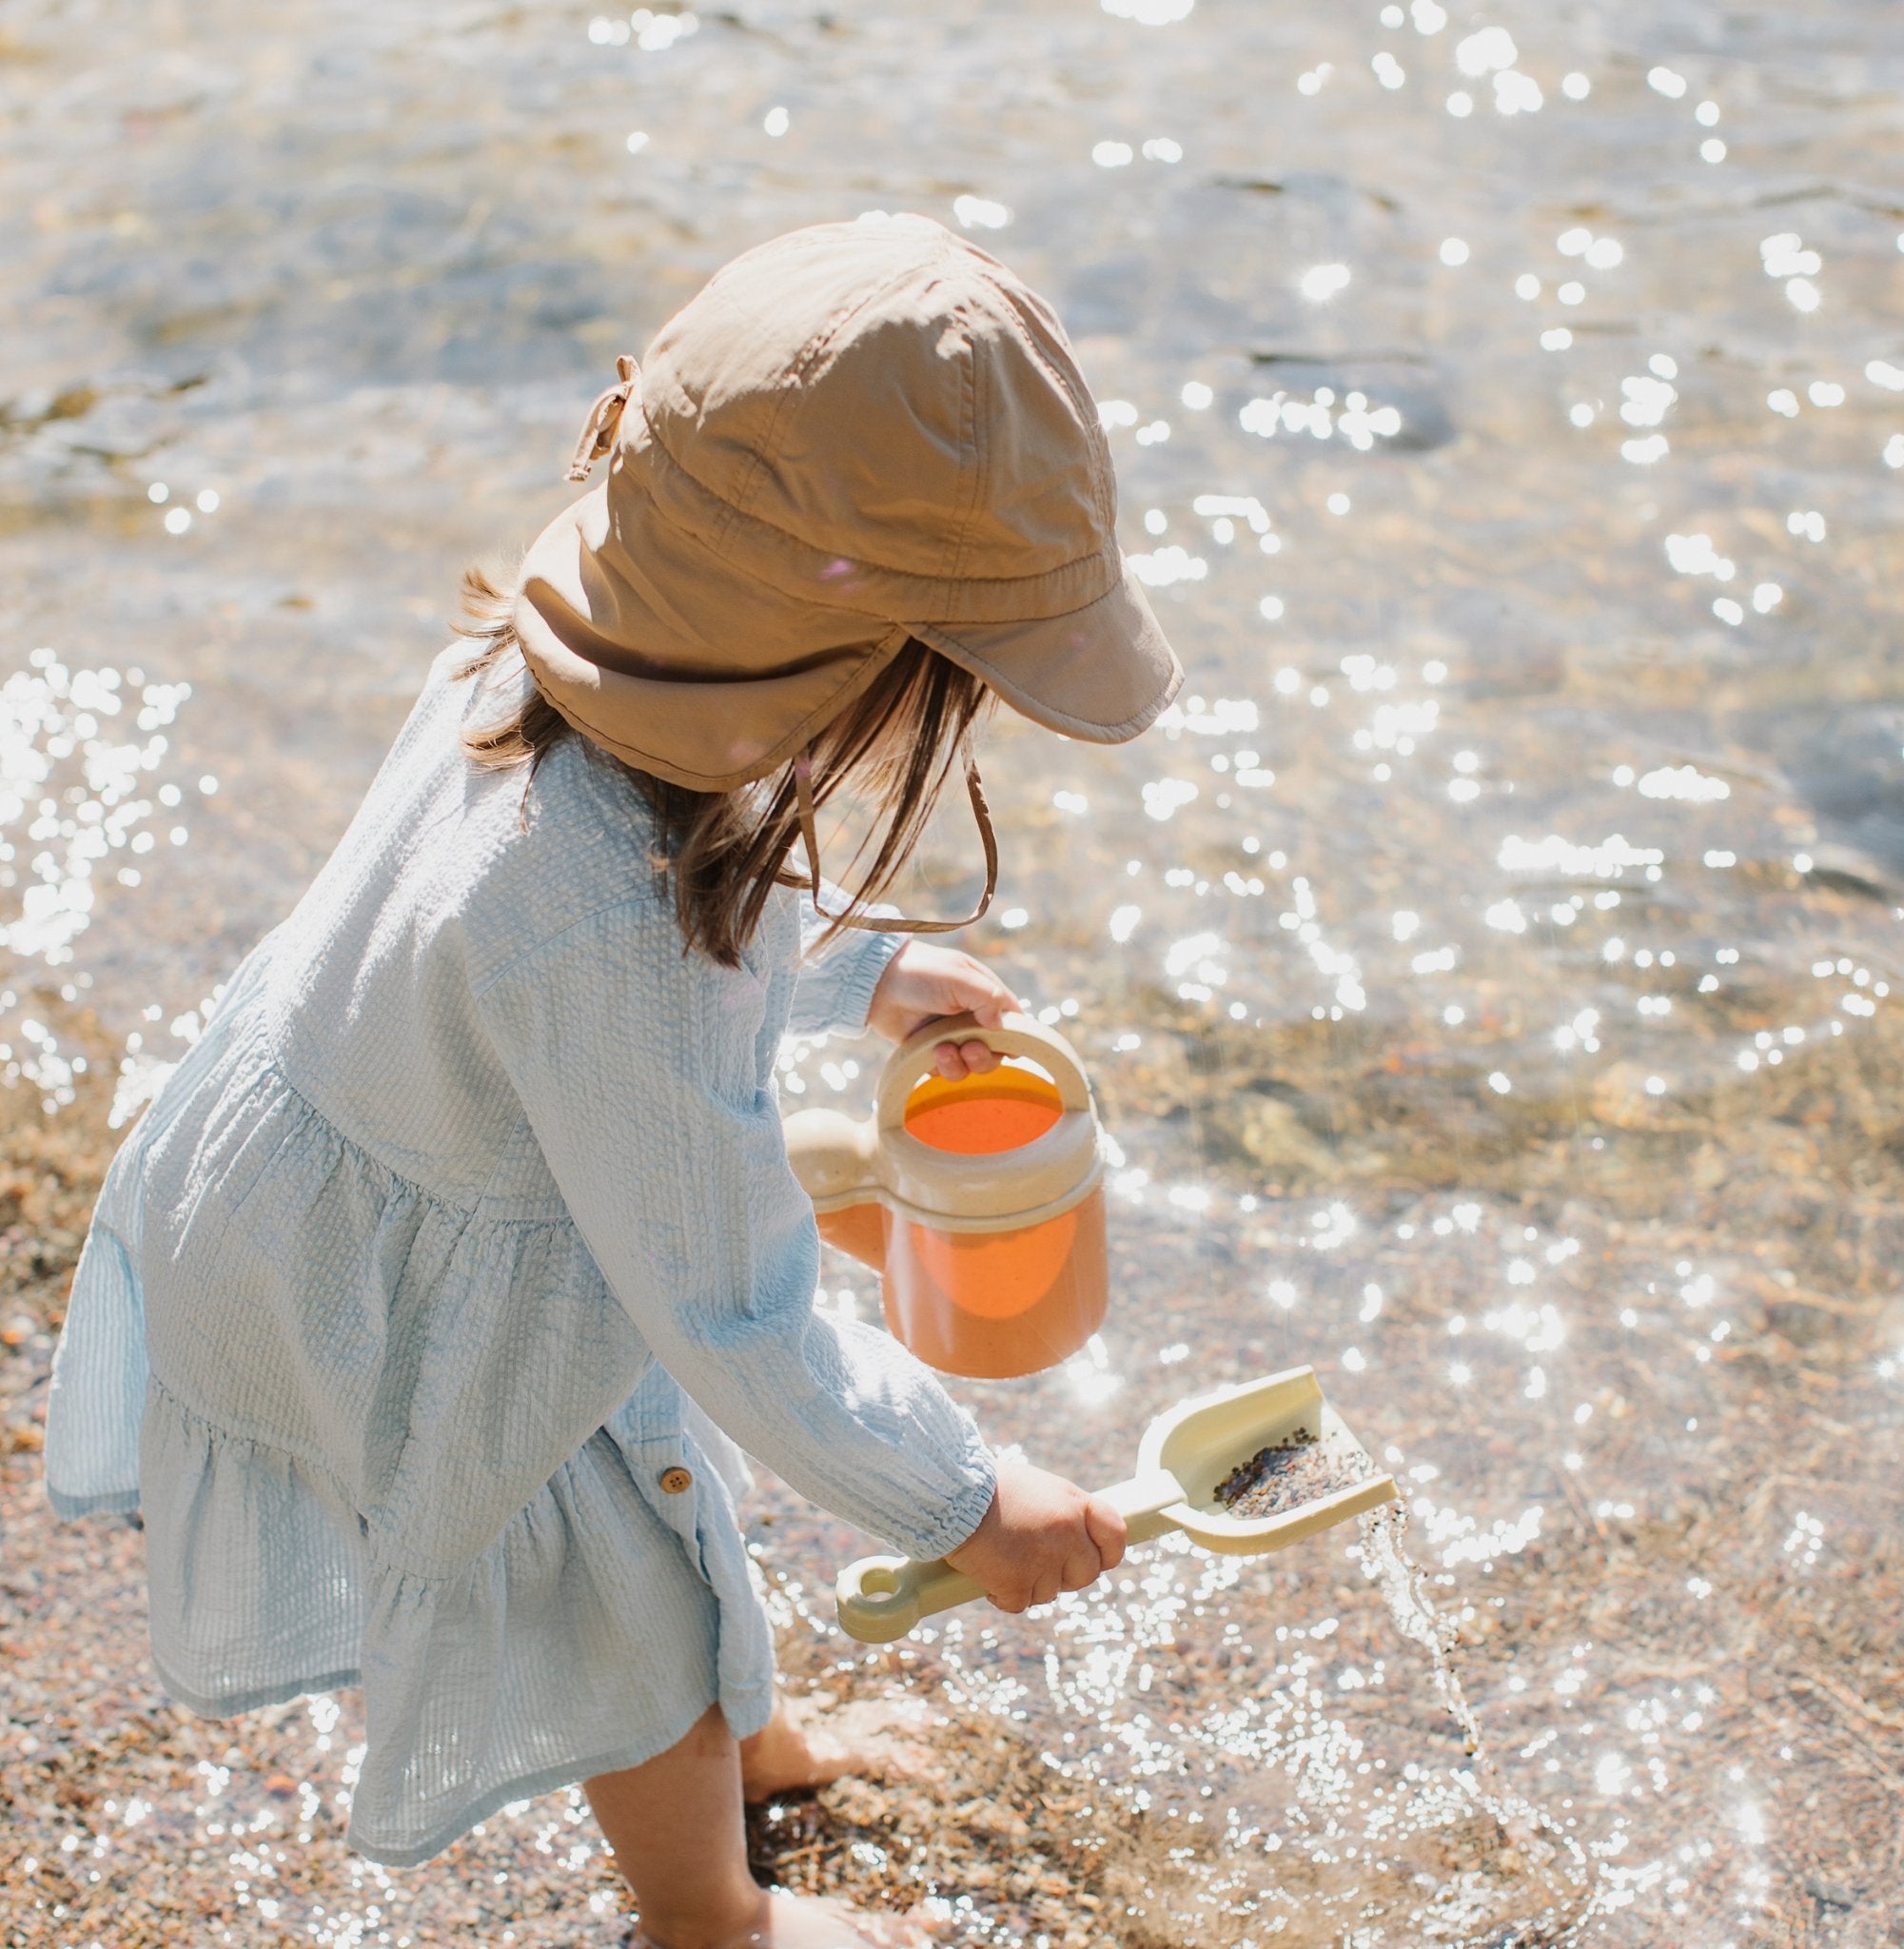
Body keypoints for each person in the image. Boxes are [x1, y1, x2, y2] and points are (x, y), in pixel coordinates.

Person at [43, 215, 1184, 1949]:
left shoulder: (534, 673)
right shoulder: (636, 942)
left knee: (657, 1495)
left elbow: (556, 942)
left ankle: (766, 1747)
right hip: (423, 1295)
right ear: (849, 651)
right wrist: (969, 1499)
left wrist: (860, 973)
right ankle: (708, 1918)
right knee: (622, 1599)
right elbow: (739, 1316)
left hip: (345, 1168)